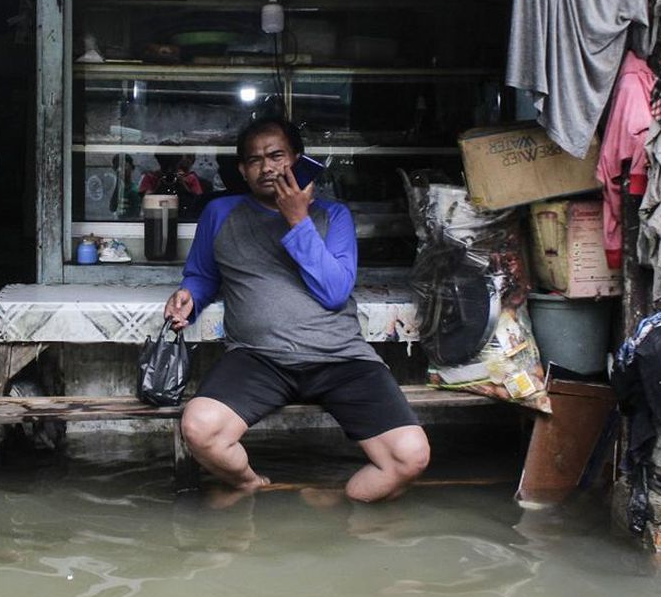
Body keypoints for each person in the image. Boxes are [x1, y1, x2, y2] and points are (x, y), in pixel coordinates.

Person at [162, 117, 430, 502]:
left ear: (298, 160)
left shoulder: (333, 215)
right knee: (200, 428)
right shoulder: (220, 213)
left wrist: (297, 220)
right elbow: (203, 275)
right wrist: (189, 295)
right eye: (254, 160)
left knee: (411, 457)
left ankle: (340, 501)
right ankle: (247, 484)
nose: (267, 167)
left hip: (340, 358)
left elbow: (335, 292)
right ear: (242, 170)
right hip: (258, 358)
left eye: (276, 156)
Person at [109, 153, 141, 220]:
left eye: (125, 166)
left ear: (132, 168)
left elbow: (135, 214)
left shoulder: (134, 190)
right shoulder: (117, 189)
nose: (120, 170)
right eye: (117, 167)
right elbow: (112, 208)